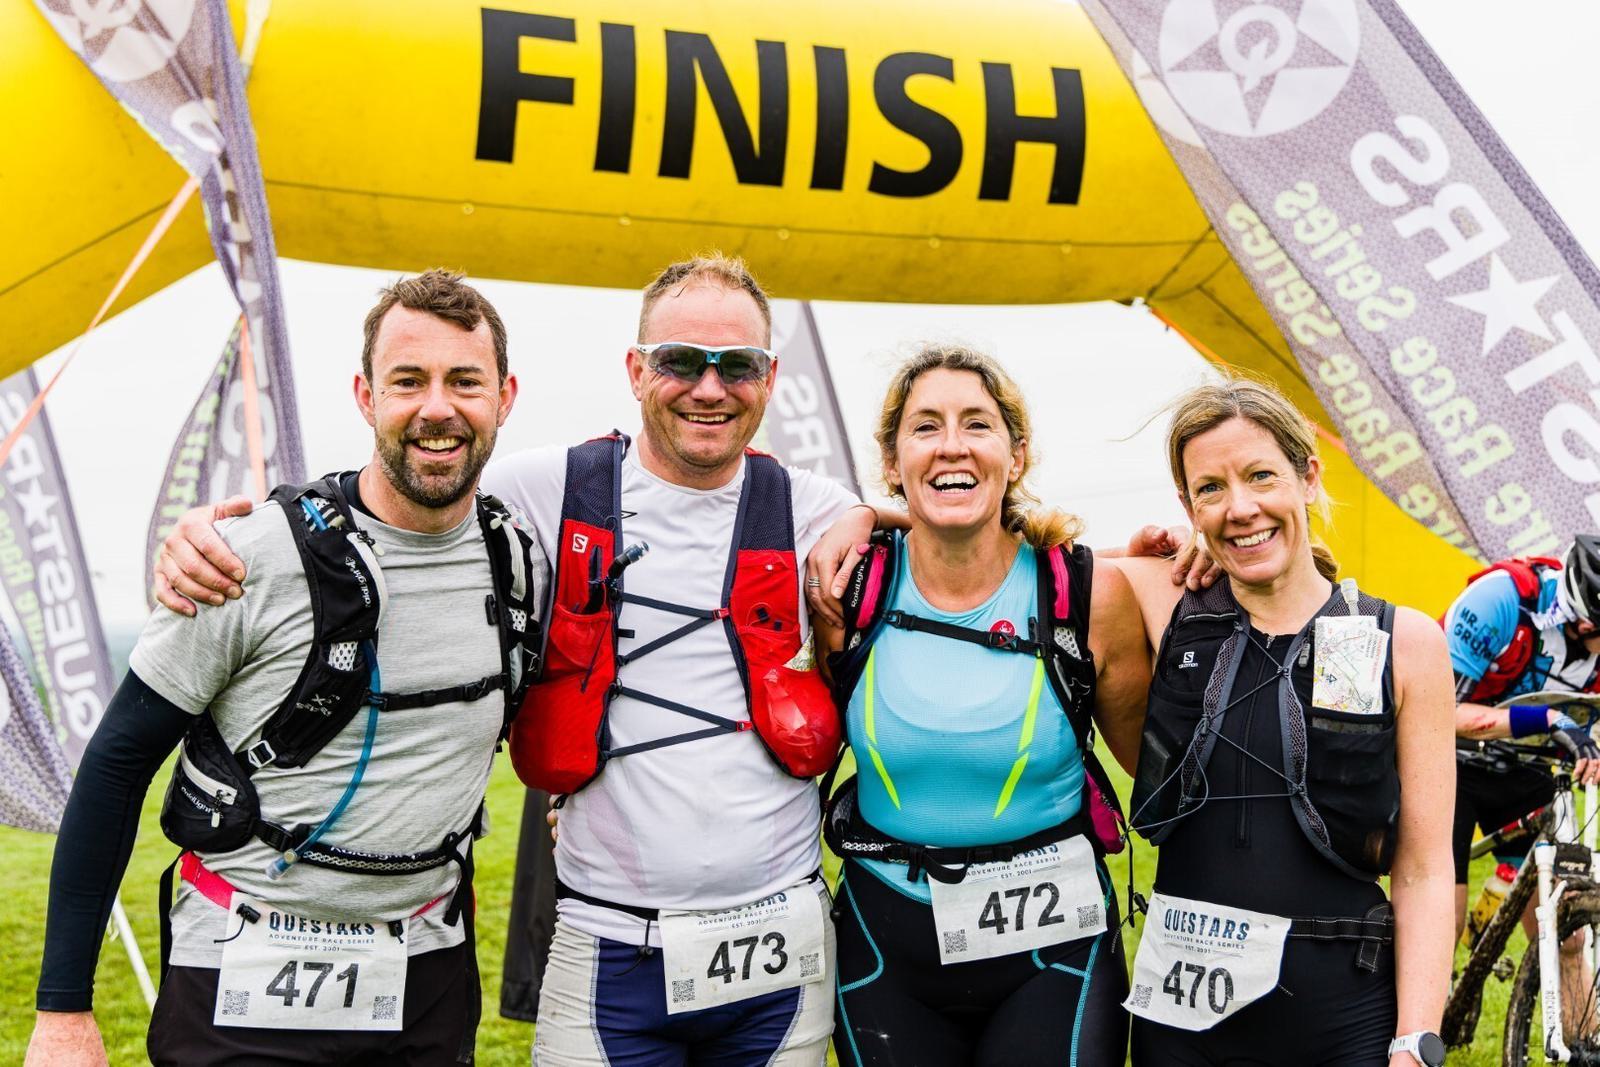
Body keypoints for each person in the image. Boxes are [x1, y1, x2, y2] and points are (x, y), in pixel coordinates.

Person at [27, 270, 542, 1065]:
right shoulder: (248, 558)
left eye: (463, 381)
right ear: (366, 396)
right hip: (241, 968)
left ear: (504, 397)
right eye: (408, 380)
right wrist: (63, 1011)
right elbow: (118, 761)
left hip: (427, 978)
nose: (437, 407)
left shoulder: (520, 560)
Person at [814, 344, 1151, 1066]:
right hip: (886, 952)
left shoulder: (1087, 597)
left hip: (1053, 954)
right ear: (892, 457)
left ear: (1017, 453)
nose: (952, 445)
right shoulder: (847, 590)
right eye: (926, 426)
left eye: (977, 423)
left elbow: (1158, 774)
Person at [1118, 378, 1455, 1067]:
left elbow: (1422, 867)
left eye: (1260, 475)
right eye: (1210, 489)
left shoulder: (1404, 641)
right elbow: (999, 556)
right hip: (1182, 1020)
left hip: (1342, 1017)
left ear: (1308, 476)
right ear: (1186, 504)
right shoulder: (1165, 601)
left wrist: (1413, 1041)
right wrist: (867, 519)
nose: (1241, 508)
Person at [1444, 535, 1600, 1030]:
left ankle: (1584, 1045)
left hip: (1527, 770)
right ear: (1583, 621)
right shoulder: (1499, 600)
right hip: (1449, 758)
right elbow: (1438, 710)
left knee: (1568, 930)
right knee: (1439, 919)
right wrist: (1551, 719)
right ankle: (1420, 1037)